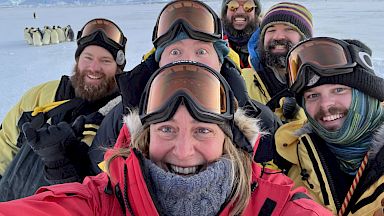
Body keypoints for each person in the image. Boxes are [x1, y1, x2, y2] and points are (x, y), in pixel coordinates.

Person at [0, 61, 332, 216]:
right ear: (141, 139)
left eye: (203, 130)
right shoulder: (103, 201)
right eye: (166, 129)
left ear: (231, 140)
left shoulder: (275, 206)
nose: (184, 151)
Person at [88, 0, 281, 178]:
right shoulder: (122, 118)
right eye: (175, 52)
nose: (189, 61)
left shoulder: (260, 121)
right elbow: (100, 186)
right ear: (159, 62)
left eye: (201, 51)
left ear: (220, 62)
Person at [0, 18, 127, 201]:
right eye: (88, 58)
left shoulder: (120, 117)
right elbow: (5, 142)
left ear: (118, 67)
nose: (94, 67)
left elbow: (111, 189)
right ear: (77, 60)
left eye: (105, 60)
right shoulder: (42, 95)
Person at [274, 37, 384, 215]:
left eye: (339, 90)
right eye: (312, 96)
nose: (325, 105)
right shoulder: (292, 160)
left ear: (366, 94)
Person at [242, 2, 313, 123]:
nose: (278, 37)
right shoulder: (242, 80)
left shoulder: (320, 82)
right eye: (271, 30)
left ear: (305, 39)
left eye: (289, 29)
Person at [220, 0, 262, 68]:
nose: (240, 12)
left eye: (248, 6)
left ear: (255, 12)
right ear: (225, 11)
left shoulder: (267, 42)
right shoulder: (213, 41)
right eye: (233, 6)